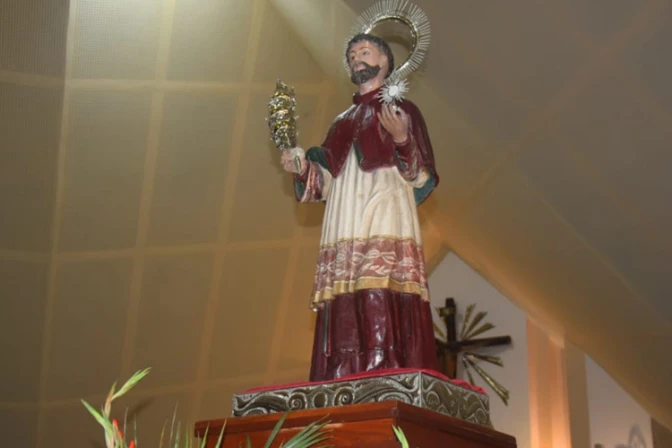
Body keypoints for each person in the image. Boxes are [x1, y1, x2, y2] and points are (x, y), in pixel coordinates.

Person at [280, 33, 440, 382]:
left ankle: (386, 366)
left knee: (378, 276)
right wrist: (302, 168)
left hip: (385, 202)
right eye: (352, 55)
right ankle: (343, 368)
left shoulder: (404, 111)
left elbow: (420, 176)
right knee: (347, 283)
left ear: (384, 61)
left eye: (365, 52)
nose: (357, 59)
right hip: (345, 214)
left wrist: (401, 138)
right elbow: (325, 181)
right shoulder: (341, 121)